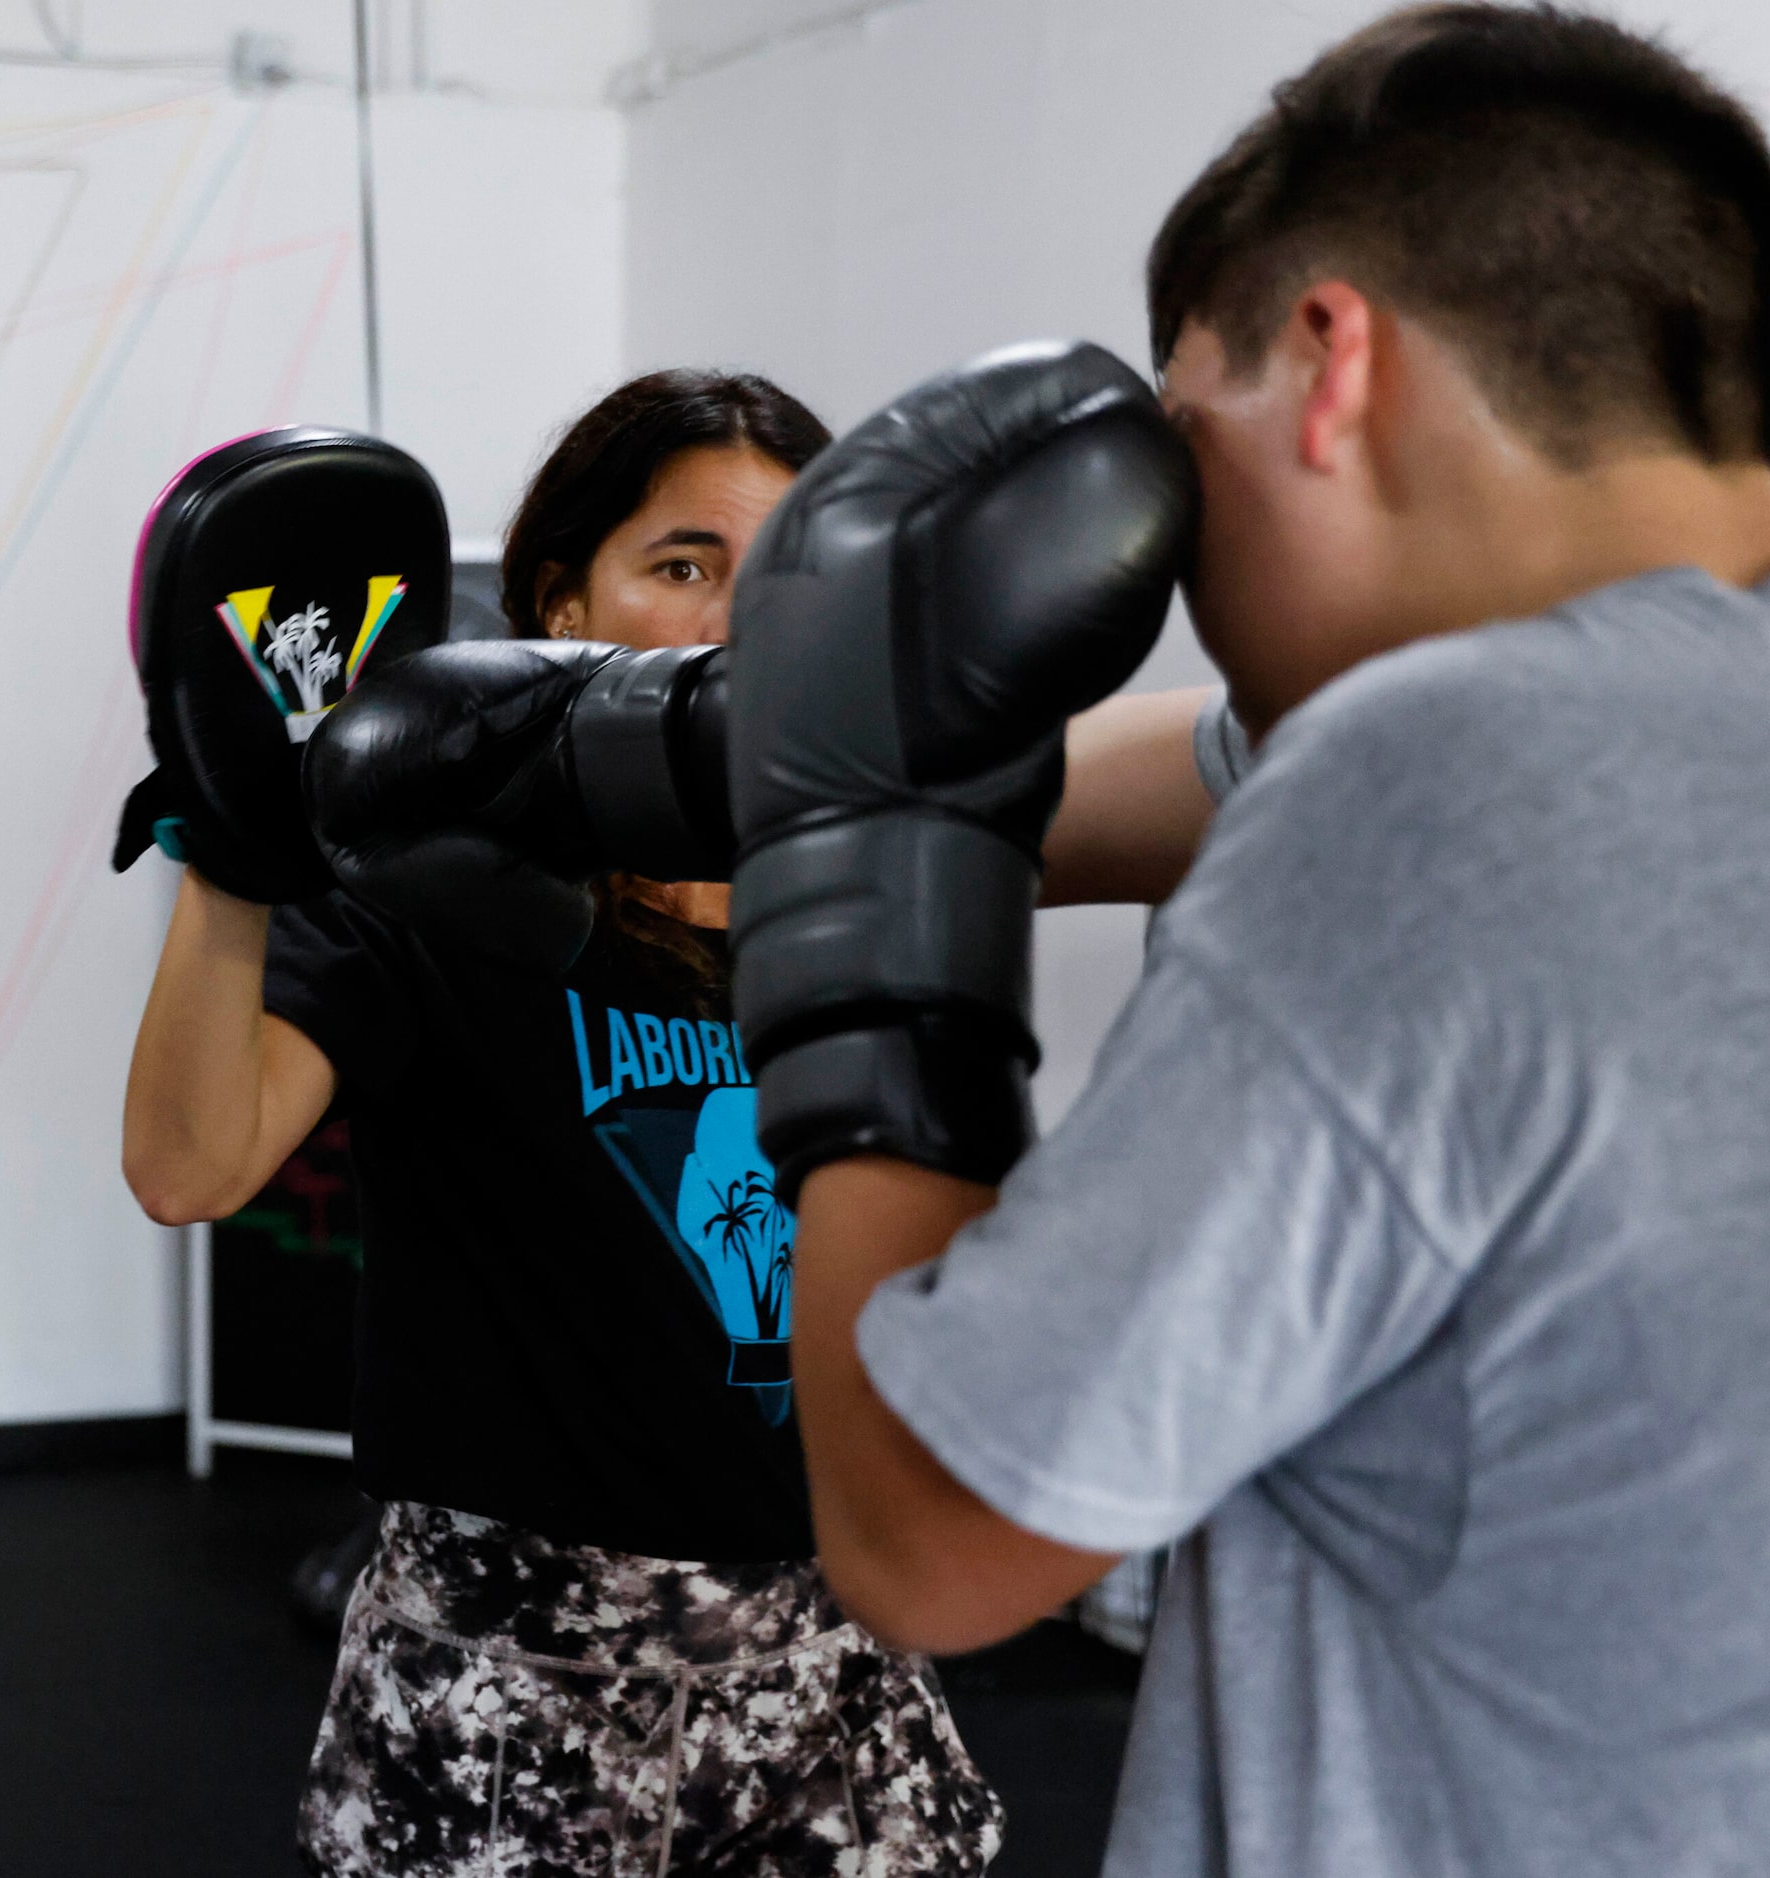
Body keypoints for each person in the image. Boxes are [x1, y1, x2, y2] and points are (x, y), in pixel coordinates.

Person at [718, 8, 1770, 1876]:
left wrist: (856, 847)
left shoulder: (1443, 775)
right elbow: (1114, 777)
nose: (1174, 548)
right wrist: (664, 745)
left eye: (1181, 454)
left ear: (1328, 358)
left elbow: (932, 1536)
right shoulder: (1658, 729)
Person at [133, 370, 1075, 1877]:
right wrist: (237, 853)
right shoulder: (433, 898)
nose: (735, 623)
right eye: (686, 565)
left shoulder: (851, 907)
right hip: (516, 1696)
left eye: (787, 581)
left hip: (829, 1666)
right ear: (562, 595)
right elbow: (192, 1164)